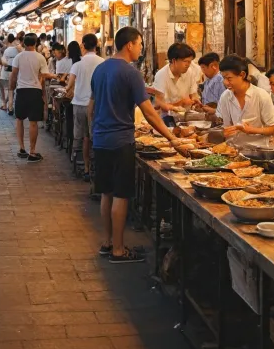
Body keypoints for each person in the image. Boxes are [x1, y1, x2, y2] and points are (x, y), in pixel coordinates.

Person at [88, 27, 190, 263]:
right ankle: (118, 250)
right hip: (121, 141)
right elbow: (150, 113)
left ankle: (107, 242)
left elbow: (91, 106)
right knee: (121, 195)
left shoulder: (100, 69)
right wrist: (172, 138)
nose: (141, 49)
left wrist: (95, 131)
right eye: (140, 44)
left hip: (101, 139)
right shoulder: (130, 72)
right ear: (129, 45)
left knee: (106, 193)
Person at [216, 55, 274, 149]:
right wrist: (225, 132)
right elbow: (226, 127)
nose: (225, 82)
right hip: (233, 149)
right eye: (223, 78)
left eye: (229, 78)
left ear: (242, 75)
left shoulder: (261, 95)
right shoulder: (225, 96)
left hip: (259, 149)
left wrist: (252, 130)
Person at [66, 33, 105, 181]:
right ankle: (95, 169)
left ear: (83, 45)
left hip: (79, 104)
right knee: (94, 137)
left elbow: (69, 85)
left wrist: (68, 90)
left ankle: (82, 166)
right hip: (96, 106)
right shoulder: (102, 63)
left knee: (82, 137)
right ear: (97, 45)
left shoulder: (77, 65)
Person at [9, 34, 51, 161]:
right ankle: (32, 152)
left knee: (19, 119)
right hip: (35, 91)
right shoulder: (40, 57)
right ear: (36, 43)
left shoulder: (18, 57)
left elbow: (13, 75)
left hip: (21, 91)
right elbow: (44, 74)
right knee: (33, 122)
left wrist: (11, 89)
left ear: (24, 43)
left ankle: (22, 149)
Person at [152, 43, 200, 124]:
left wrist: (195, 100)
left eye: (190, 62)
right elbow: (159, 104)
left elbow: (193, 94)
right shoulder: (161, 75)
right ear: (174, 61)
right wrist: (181, 103)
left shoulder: (190, 72)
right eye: (185, 61)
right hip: (167, 118)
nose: (188, 65)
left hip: (186, 117)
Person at [198, 53, 225, 117]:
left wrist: (214, 110)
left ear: (212, 66)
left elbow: (223, 104)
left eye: (203, 67)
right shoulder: (208, 80)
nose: (202, 71)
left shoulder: (219, 80)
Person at [0, 34, 21, 113]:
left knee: (10, 89)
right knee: (15, 89)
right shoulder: (18, 49)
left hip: (9, 71)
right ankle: (12, 106)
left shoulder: (7, 50)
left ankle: (10, 107)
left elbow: (4, 61)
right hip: (17, 71)